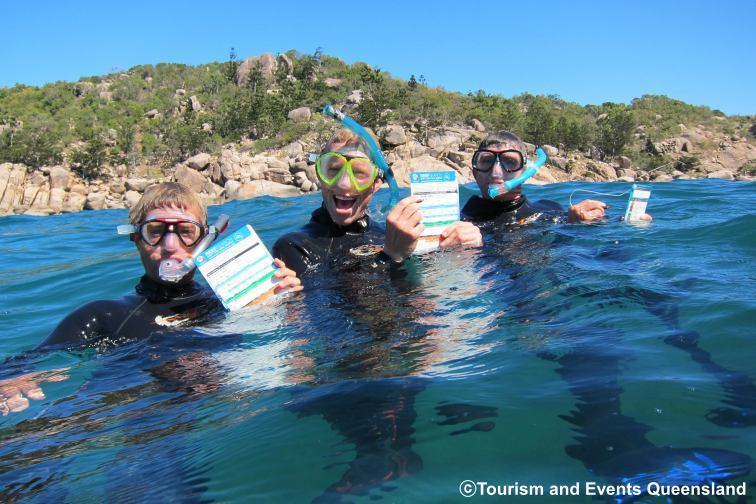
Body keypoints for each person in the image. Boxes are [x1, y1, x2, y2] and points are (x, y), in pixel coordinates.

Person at [0, 182, 302, 416]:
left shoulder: (231, 300)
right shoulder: (104, 315)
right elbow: (28, 363)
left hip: (223, 406)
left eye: (185, 231)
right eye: (155, 231)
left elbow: (288, 354)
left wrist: (282, 303)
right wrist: (16, 379)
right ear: (136, 238)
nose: (170, 246)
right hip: (132, 407)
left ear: (205, 239)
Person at [273, 128, 483, 275]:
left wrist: (462, 250)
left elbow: (433, 287)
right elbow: (330, 319)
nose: (345, 184)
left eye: (359, 172)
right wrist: (390, 256)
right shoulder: (294, 246)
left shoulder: (394, 236)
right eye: (333, 169)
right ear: (320, 175)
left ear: (377, 183)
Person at [461, 130, 652, 225]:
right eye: (486, 161)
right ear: (475, 172)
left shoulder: (550, 208)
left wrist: (625, 222)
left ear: (526, 172)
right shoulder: (461, 222)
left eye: (509, 162)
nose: (496, 172)